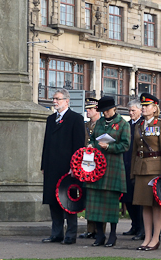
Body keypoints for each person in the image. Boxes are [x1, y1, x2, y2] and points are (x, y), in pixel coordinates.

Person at [40, 88, 85, 244]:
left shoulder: (75, 118)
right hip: (52, 166)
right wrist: (43, 165)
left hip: (67, 168)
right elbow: (46, 144)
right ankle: (56, 233)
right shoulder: (51, 119)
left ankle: (71, 234)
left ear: (67, 101)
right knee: (53, 200)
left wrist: (75, 166)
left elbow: (79, 146)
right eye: (54, 99)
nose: (55, 102)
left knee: (68, 200)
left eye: (58, 99)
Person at [130, 93, 161, 251]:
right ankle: (147, 237)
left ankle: (155, 238)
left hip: (156, 169)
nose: (143, 108)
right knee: (145, 205)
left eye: (147, 105)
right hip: (141, 169)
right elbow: (135, 151)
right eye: (142, 105)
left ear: (155, 108)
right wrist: (133, 173)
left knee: (156, 205)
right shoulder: (139, 125)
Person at [86, 96, 131, 247]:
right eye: (102, 111)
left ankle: (112, 234)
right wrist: (92, 145)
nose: (104, 113)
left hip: (113, 167)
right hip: (97, 167)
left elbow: (125, 145)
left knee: (111, 203)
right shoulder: (99, 122)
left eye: (106, 111)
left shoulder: (123, 124)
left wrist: (109, 147)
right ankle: (99, 234)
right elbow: (92, 138)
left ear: (114, 109)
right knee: (96, 201)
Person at [121, 99, 144, 240]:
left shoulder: (143, 125)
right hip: (126, 165)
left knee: (139, 199)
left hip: (138, 166)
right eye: (129, 111)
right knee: (128, 198)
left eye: (133, 110)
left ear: (140, 110)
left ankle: (142, 227)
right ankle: (134, 225)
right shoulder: (127, 125)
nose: (130, 113)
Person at [80, 97, 101, 240]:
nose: (87, 111)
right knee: (89, 198)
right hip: (86, 165)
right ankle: (90, 229)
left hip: (99, 165)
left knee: (99, 198)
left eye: (90, 109)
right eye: (87, 109)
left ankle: (99, 230)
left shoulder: (102, 125)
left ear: (97, 110)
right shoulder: (85, 126)